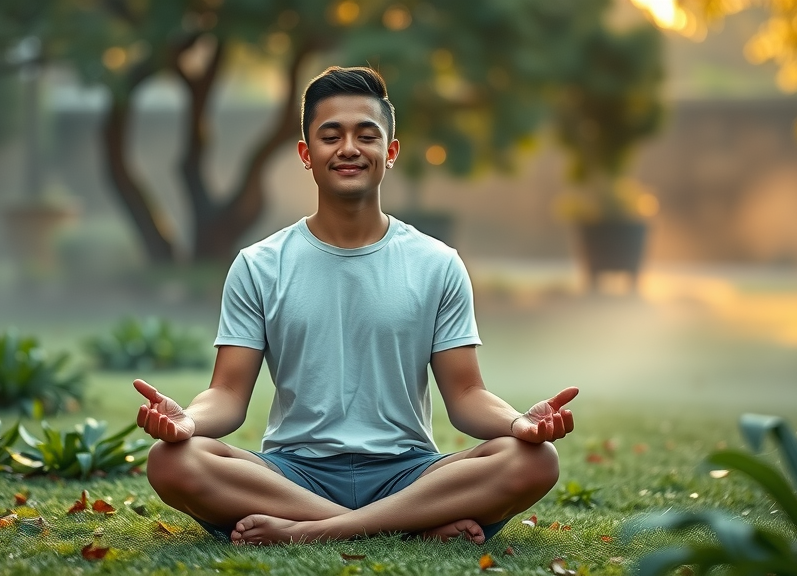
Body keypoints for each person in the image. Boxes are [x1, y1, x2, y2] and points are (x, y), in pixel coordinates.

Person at [134, 65, 578, 545]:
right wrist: (189, 421)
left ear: (390, 153)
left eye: (366, 135)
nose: (349, 148)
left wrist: (518, 423)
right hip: (291, 474)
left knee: (535, 460)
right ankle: (405, 527)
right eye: (331, 136)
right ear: (307, 154)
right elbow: (227, 394)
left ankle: (317, 531)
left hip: (409, 473)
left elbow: (467, 395)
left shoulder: (437, 263)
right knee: (171, 460)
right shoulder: (259, 265)